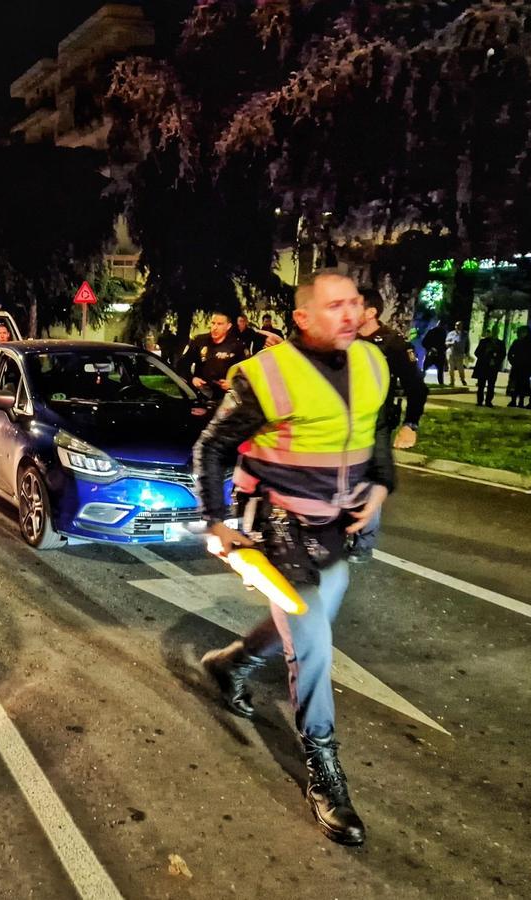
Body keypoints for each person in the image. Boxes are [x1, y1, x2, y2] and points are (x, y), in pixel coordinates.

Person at [194, 271, 392, 847]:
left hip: (338, 523)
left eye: (356, 301)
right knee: (312, 644)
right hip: (280, 524)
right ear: (303, 317)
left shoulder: (371, 364)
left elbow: (375, 431)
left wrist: (379, 486)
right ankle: (326, 775)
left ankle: (231, 664)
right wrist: (217, 523)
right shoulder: (267, 375)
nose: (351, 313)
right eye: (335, 306)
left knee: (311, 624)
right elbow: (212, 446)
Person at [357, 287, 427, 449]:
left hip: (374, 427)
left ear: (370, 312)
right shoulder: (342, 339)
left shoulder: (394, 344)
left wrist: (410, 424)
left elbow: (416, 387)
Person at [176, 311, 248, 401]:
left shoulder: (237, 346)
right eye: (213, 323)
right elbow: (182, 364)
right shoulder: (199, 341)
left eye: (220, 324)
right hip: (201, 394)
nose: (215, 327)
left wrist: (232, 384)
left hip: (226, 397)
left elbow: (245, 373)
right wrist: (192, 379)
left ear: (228, 326)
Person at [506, 326, 531, 408]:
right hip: (517, 367)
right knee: (514, 384)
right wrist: (513, 362)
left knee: (523, 386)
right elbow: (510, 353)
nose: (522, 334)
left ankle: (521, 401)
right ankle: (513, 401)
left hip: (526, 368)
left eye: (524, 332)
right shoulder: (517, 342)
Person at [472, 327, 506, 407]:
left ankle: (488, 401)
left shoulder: (500, 343)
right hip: (483, 366)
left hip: (493, 367)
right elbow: (477, 352)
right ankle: (480, 401)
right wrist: (486, 358)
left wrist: (495, 361)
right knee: (481, 385)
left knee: (491, 385)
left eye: (495, 331)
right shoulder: (484, 341)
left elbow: (502, 355)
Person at [445, 321, 470, 388]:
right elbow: (446, 343)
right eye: (456, 325)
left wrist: (467, 353)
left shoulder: (465, 334)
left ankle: (462, 379)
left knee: (460, 368)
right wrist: (451, 343)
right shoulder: (451, 334)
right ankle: (452, 381)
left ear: (462, 326)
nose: (457, 327)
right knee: (451, 368)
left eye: (459, 325)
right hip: (451, 353)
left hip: (460, 354)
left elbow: (467, 344)